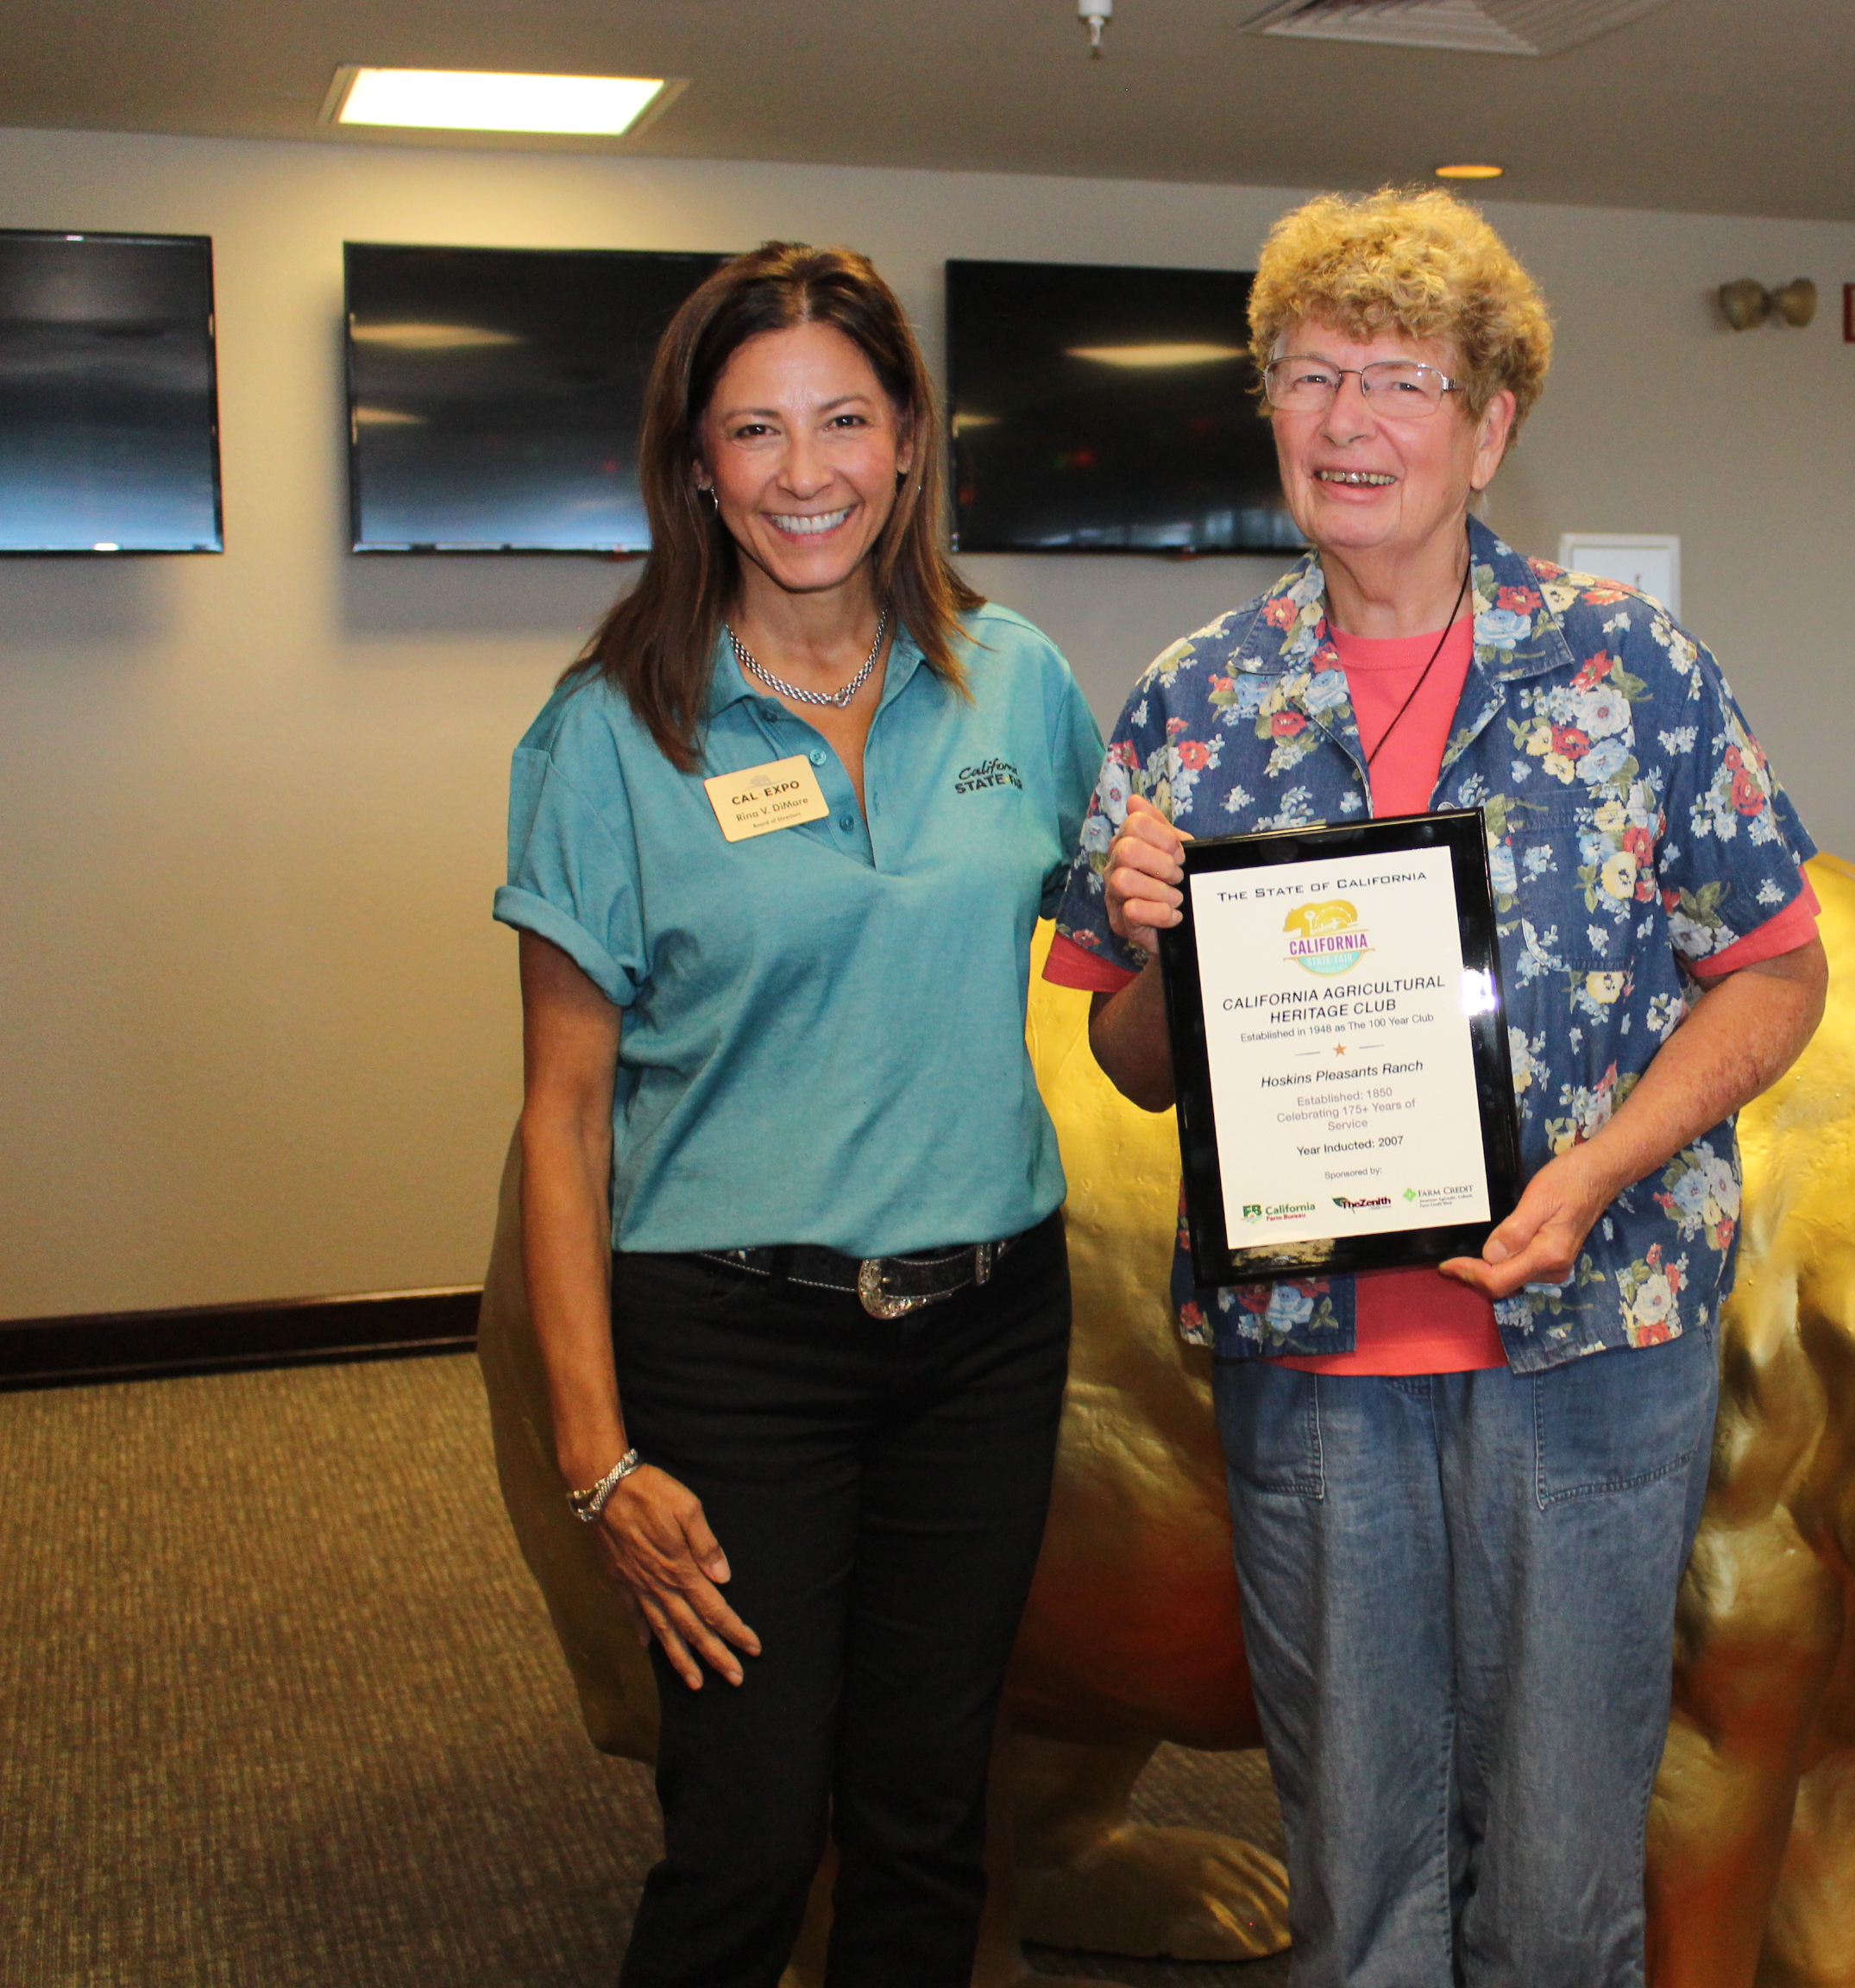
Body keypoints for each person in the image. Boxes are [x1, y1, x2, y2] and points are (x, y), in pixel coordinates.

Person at [1045, 188, 1828, 1988]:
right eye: (1306, 377)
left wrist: (1604, 1166)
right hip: (1317, 1367)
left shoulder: (1633, 676)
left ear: (1491, 429)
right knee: (1359, 1874)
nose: (1344, 423)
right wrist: (1159, 942)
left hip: (1595, 1346)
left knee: (1562, 1889)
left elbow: (1777, 971)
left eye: (1397, 379)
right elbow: (1127, 1055)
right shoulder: (1196, 703)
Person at [497, 242, 1099, 1988]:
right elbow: (560, 1114)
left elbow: (1118, 1000)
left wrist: (1183, 915)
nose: (805, 471)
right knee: (748, 1841)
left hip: (988, 1332)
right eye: (754, 431)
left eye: (844, 419)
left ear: (912, 441)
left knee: (927, 1826)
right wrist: (596, 1460)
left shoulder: (1023, 683)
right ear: (695, 464)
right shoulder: (610, 732)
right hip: (734, 1342)